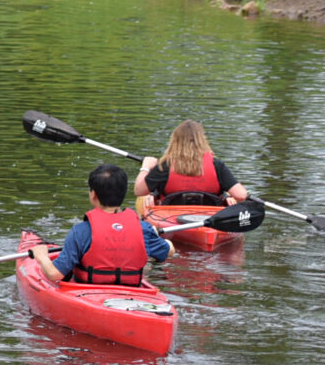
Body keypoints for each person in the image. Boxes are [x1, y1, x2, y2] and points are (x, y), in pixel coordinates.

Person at [32, 163, 171, 286]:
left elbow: (55, 274)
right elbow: (168, 251)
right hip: (132, 293)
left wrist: (42, 256)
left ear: (93, 195)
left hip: (89, 291)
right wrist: (154, 233)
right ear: (123, 193)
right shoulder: (143, 229)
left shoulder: (80, 231)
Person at [134, 119, 249, 211]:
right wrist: (226, 192)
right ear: (202, 141)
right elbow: (241, 195)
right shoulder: (216, 165)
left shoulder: (165, 165)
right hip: (210, 216)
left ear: (175, 141)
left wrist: (146, 167)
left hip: (171, 216)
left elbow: (139, 191)